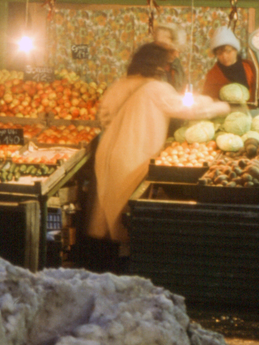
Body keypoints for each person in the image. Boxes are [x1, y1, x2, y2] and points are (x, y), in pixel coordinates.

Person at [89, 42, 229, 262]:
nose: (167, 69)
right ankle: (127, 264)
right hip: (134, 154)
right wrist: (223, 106)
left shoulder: (120, 85)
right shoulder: (156, 88)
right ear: (157, 66)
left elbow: (104, 116)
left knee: (110, 211)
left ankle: (107, 261)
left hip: (108, 152)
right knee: (129, 215)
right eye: (166, 64)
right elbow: (187, 107)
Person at [200, 25, 257, 103]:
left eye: (228, 51)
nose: (224, 56)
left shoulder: (250, 67)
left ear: (236, 50)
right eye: (219, 53)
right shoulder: (212, 75)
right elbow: (208, 100)